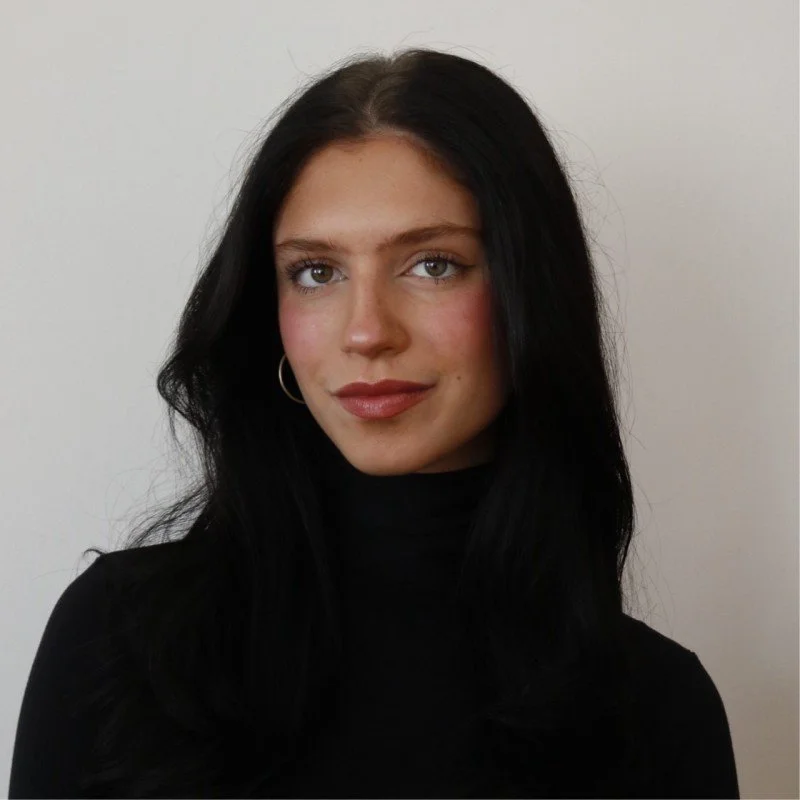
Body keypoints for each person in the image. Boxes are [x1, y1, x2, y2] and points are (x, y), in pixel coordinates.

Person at [8, 47, 740, 799]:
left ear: (529, 292)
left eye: (433, 264)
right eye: (317, 272)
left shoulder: (656, 708)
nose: (366, 332)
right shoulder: (120, 642)